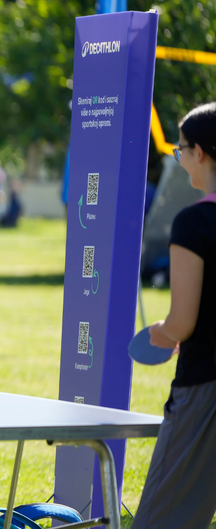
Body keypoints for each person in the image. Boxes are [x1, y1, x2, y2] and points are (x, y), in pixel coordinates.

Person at [132, 102, 216, 529]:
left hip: (205, 386)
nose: (179, 158)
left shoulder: (195, 223)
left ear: (199, 151)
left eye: (180, 149)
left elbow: (182, 324)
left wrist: (159, 334)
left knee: (160, 521)